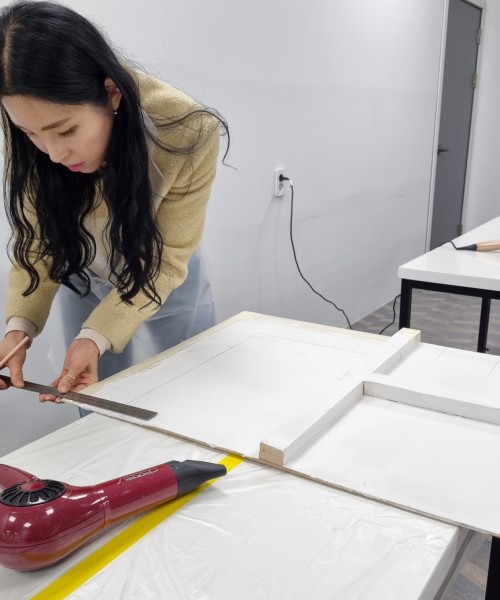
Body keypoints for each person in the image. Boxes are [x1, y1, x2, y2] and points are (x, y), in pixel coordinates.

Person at [0, 1, 229, 405]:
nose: (53, 154)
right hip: (81, 263)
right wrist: (19, 327)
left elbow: (168, 259)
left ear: (111, 93)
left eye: (66, 131)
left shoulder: (186, 130)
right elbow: (38, 240)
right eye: (31, 134)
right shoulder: (30, 125)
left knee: (187, 381)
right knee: (87, 386)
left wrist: (101, 332)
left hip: (162, 265)